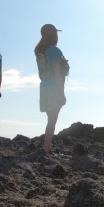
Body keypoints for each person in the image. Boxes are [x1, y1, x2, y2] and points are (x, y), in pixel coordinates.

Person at [35, 23, 67, 153]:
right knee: (52, 121)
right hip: (54, 88)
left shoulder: (39, 51)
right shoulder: (54, 51)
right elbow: (57, 73)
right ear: (54, 35)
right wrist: (62, 93)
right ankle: (47, 149)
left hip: (44, 87)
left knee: (50, 120)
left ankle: (47, 148)